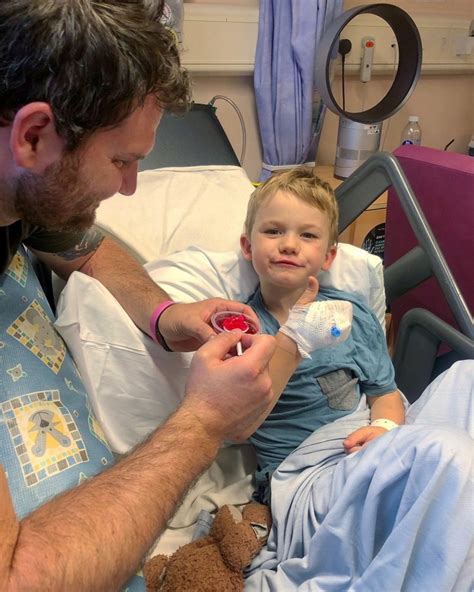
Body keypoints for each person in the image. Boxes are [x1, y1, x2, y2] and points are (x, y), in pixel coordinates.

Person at [0, 2, 277, 590]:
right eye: (121, 160)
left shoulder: (19, 191)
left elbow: (86, 247)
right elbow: (18, 578)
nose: (128, 188)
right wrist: (203, 424)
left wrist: (165, 316)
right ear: (33, 135)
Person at [239, 167, 405, 503]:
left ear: (328, 256)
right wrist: (296, 334)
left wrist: (385, 430)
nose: (289, 245)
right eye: (273, 231)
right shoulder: (245, 330)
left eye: (307, 235)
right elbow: (241, 419)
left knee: (465, 375)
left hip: (366, 448)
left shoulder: (352, 313)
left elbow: (385, 394)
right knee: (441, 457)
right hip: (305, 473)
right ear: (247, 246)